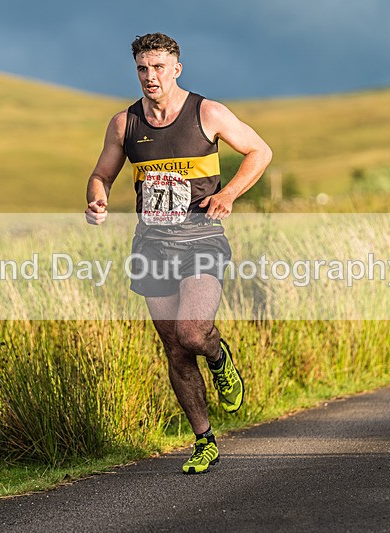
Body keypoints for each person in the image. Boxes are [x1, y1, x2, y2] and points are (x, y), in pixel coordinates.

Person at [85, 32, 272, 474]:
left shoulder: (207, 112)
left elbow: (259, 152)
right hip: (152, 247)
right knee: (174, 348)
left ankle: (220, 357)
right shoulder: (123, 124)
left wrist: (228, 194)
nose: (150, 77)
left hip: (202, 240)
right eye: (142, 69)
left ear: (177, 69)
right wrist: (96, 199)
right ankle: (204, 440)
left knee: (192, 333)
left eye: (158, 68)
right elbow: (101, 174)